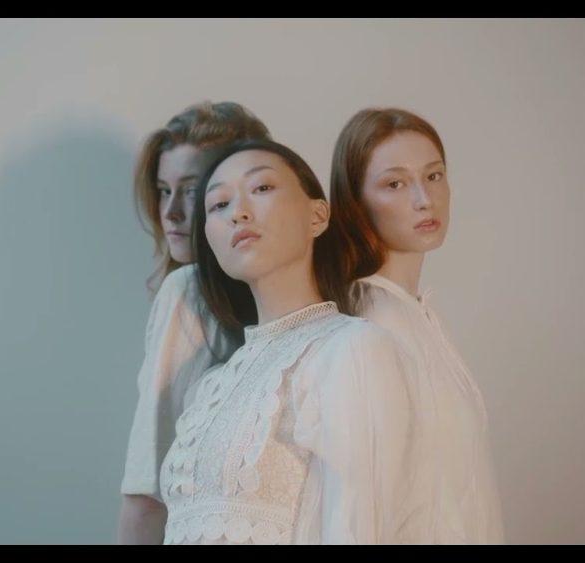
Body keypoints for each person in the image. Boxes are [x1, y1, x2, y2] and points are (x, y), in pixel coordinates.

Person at [158, 139, 419, 544]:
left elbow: (362, 528)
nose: (238, 212)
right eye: (219, 204)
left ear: (317, 215)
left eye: (261, 188)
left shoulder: (353, 348)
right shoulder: (209, 385)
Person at [330, 107, 505, 543]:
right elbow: (362, 507)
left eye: (433, 175)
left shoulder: (415, 313)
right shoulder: (369, 326)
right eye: (395, 184)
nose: (425, 199)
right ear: (355, 201)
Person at [117, 101, 271, 544]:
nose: (170, 213)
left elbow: (147, 491)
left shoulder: (192, 292)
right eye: (163, 191)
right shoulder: (186, 292)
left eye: (191, 190)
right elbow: (148, 486)